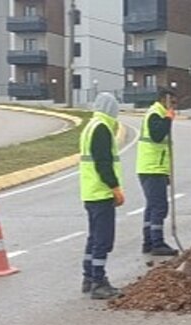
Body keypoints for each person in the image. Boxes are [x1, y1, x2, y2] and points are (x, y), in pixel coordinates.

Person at [79, 92, 125, 300]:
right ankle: (98, 282)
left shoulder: (90, 126)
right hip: (101, 192)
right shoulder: (102, 129)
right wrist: (115, 188)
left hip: (90, 192)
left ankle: (88, 277)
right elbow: (103, 163)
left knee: (94, 237)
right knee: (103, 239)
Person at [137, 86, 179, 256]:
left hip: (153, 168)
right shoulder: (156, 113)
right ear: (164, 100)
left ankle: (148, 242)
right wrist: (168, 119)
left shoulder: (157, 113)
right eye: (172, 103)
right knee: (159, 207)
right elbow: (157, 135)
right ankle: (157, 243)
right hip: (152, 168)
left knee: (151, 206)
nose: (174, 107)